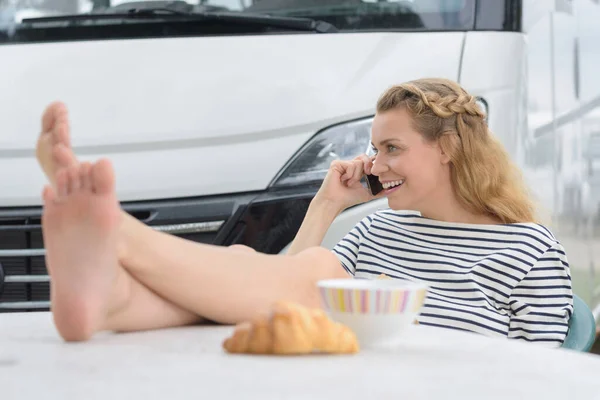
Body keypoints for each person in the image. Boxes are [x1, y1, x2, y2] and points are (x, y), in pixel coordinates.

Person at [36, 78, 573, 347]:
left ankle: (123, 242)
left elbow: (542, 377)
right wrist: (327, 204)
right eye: (375, 147)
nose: (373, 162)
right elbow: (276, 290)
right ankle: (115, 300)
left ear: (448, 148)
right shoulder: (378, 226)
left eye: (392, 148)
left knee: (319, 275)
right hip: (333, 379)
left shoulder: (529, 249)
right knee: (286, 267)